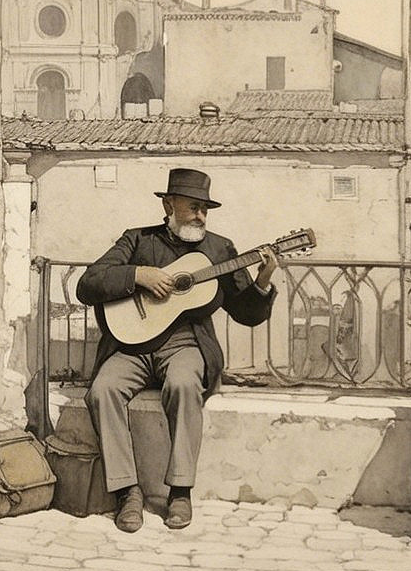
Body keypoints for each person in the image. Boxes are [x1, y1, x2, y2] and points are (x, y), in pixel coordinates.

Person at [75, 168, 278, 532]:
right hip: (132, 347)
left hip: (186, 344)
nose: (200, 216)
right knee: (102, 391)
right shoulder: (137, 239)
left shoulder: (220, 249)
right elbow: (87, 284)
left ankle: (180, 492)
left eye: (205, 209)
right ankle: (127, 492)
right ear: (169, 205)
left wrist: (262, 281)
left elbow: (247, 314)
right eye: (193, 207)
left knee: (184, 385)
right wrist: (138, 275)